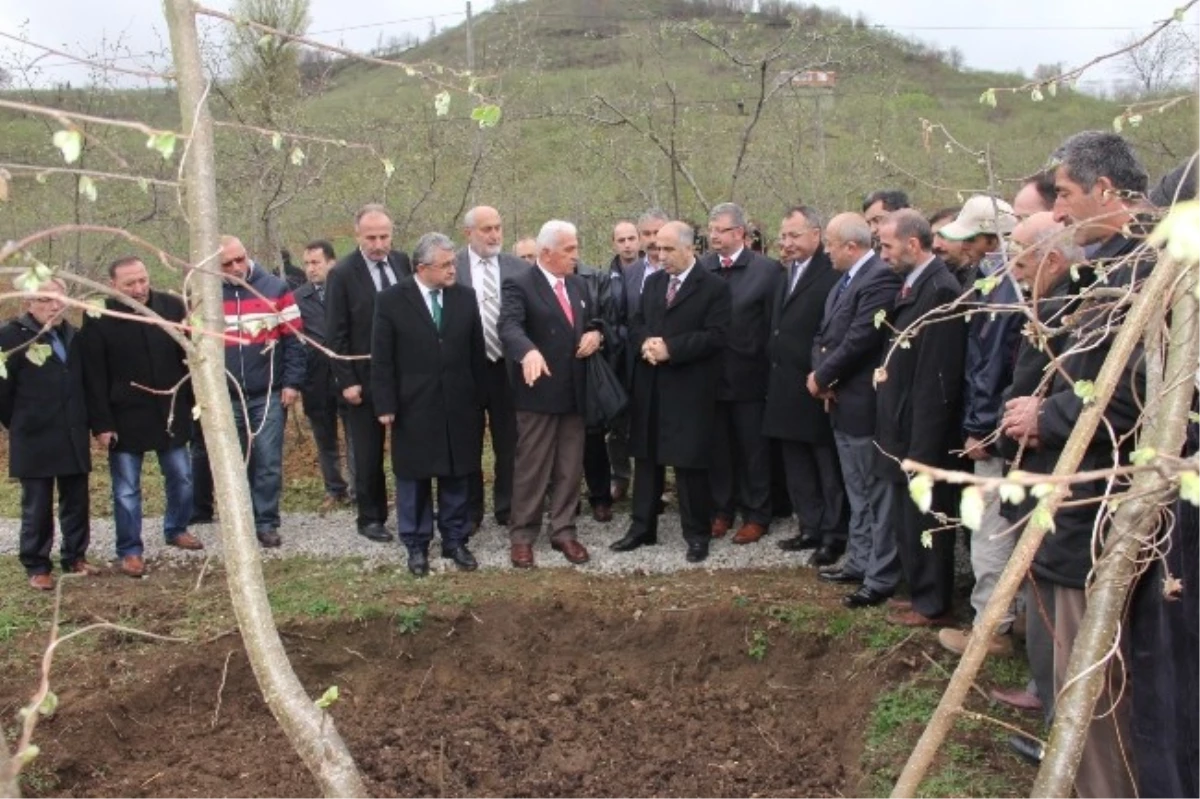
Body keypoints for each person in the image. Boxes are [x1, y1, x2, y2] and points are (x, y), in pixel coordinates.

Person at [1001, 130, 1151, 799]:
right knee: (1075, 675)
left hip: (1099, 507)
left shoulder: (1143, 276)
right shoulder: (1109, 270)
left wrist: (1047, 415)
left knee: (1096, 684)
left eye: (1063, 194)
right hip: (1074, 507)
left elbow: (1129, 400)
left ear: (1106, 190)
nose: (1058, 213)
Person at [933, 197, 1024, 657]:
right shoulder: (991, 280)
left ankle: (991, 630)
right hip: (1000, 425)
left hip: (996, 433)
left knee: (992, 532)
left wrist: (979, 428)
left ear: (991, 237)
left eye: (968, 238)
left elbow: (991, 366)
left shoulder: (1007, 288)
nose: (960, 248)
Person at [610, 221, 731, 563]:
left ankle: (696, 534)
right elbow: (636, 323)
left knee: (689, 462)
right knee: (646, 458)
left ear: (689, 248)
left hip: (689, 387)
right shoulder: (654, 283)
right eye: (657, 250)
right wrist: (646, 344)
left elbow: (716, 336)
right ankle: (641, 528)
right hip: (650, 384)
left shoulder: (712, 287)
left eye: (668, 250)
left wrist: (672, 349)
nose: (660, 256)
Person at [373, 232, 487, 577]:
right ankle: (417, 544)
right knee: (414, 478)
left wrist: (478, 399)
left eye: (454, 262)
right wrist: (386, 404)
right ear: (423, 268)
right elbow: (382, 359)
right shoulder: (392, 301)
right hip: (413, 406)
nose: (454, 269)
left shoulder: (465, 299)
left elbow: (476, 354)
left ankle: (455, 539)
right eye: (446, 264)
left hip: (458, 404)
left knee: (456, 474)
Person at [874, 210, 966, 627]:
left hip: (923, 433)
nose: (882, 255)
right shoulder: (915, 285)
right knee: (908, 520)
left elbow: (936, 377)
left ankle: (932, 603)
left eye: (887, 246)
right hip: (901, 425)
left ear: (913, 244)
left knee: (926, 518)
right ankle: (917, 593)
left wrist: (923, 448)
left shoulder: (941, 291)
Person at [81, 257, 200, 580]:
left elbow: (189, 356)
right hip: (124, 416)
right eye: (130, 284)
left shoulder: (172, 306)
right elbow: (94, 376)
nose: (139, 288)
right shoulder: (99, 316)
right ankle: (130, 550)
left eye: (143, 280)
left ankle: (176, 527)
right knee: (126, 490)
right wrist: (101, 424)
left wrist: (193, 402)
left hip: (170, 410)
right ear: (113, 286)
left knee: (181, 476)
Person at [809, 214, 904, 607]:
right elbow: (824, 335)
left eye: (830, 243)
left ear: (851, 246)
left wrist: (823, 376)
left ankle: (880, 576)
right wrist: (821, 376)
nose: (825, 250)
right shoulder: (842, 282)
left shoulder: (879, 278)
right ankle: (859, 562)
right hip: (839, 401)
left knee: (875, 491)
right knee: (856, 490)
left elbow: (861, 338)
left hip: (864, 404)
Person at [499, 220, 604, 568]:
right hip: (538, 392)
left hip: (575, 392)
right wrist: (527, 350)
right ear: (546, 253)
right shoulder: (519, 284)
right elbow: (509, 326)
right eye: (569, 250)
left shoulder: (578, 285)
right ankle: (523, 535)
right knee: (532, 465)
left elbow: (594, 321)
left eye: (576, 248)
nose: (576, 256)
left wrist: (594, 335)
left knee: (569, 466)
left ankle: (564, 530)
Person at [0, 277, 98, 590]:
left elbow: (86, 384)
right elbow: (3, 393)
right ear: (28, 303)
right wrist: (19, 422)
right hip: (34, 436)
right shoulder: (10, 336)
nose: (53, 307)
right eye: (44, 300)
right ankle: (37, 565)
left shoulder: (73, 335)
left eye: (57, 300)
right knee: (37, 506)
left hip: (72, 432)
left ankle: (75, 556)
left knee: (76, 501)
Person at [325, 204, 412, 543]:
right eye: (371, 237)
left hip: (404, 374)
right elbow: (336, 333)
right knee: (368, 451)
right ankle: (371, 516)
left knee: (409, 445)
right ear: (358, 236)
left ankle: (411, 509)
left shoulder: (402, 262)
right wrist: (347, 380)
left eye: (384, 236)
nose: (379, 244)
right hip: (363, 376)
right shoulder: (343, 274)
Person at [762, 206, 845, 566]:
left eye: (794, 235)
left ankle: (834, 534)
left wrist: (824, 374)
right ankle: (809, 526)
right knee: (796, 464)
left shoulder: (831, 273)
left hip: (816, 384)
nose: (787, 243)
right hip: (783, 384)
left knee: (826, 466)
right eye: (783, 236)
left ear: (817, 234)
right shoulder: (785, 273)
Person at [215, 236, 305, 547]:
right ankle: (238, 521)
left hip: (267, 391)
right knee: (235, 462)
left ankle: (266, 521)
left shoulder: (275, 289)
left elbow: (294, 339)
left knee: (267, 460)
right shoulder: (207, 294)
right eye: (227, 264)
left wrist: (292, 383)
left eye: (240, 259)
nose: (237, 267)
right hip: (226, 394)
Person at [701, 202, 783, 544]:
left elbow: (773, 326)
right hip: (710, 377)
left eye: (720, 230)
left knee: (753, 451)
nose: (713, 236)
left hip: (751, 378)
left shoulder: (767, 271)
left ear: (739, 233)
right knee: (718, 449)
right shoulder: (703, 268)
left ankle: (757, 514)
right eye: (711, 229)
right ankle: (721, 510)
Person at [454, 206, 529, 530]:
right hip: (467, 370)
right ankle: (470, 512)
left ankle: (507, 506)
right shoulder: (451, 266)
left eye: (498, 227)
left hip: (506, 368)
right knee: (467, 442)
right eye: (486, 229)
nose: (494, 234)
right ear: (468, 233)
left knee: (510, 442)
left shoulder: (517, 268)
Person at [294, 240, 355, 515]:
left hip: (347, 372)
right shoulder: (298, 298)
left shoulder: (347, 290)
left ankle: (358, 488)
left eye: (316, 262)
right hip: (315, 377)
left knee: (354, 432)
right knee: (324, 435)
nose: (310, 269)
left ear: (332, 262)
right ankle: (334, 487)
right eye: (306, 263)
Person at [604, 219, 642, 501]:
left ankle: (650, 480)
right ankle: (620, 476)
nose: (628, 244)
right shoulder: (606, 278)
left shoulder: (653, 271)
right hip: (617, 358)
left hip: (645, 356)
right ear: (614, 244)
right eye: (622, 240)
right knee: (617, 422)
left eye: (632, 238)